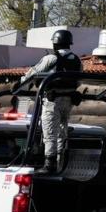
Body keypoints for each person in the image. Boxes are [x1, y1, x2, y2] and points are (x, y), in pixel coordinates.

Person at [21, 29, 82, 174]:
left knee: (49, 132)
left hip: (52, 100)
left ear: (55, 43)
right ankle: (61, 163)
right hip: (68, 101)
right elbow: (78, 81)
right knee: (62, 131)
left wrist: (20, 83)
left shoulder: (51, 59)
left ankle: (49, 164)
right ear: (69, 43)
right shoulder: (77, 60)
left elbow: (33, 73)